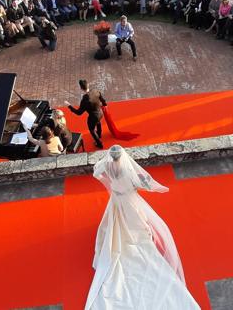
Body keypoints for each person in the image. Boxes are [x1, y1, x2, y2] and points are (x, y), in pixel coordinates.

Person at [84, 145, 200, 310]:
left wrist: (107, 182)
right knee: (139, 221)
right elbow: (139, 183)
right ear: (121, 156)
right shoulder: (126, 168)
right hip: (129, 200)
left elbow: (96, 173)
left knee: (115, 222)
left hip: (117, 200)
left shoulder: (106, 166)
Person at [66, 79, 107, 149]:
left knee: (92, 129)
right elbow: (103, 100)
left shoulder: (85, 99)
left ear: (81, 88)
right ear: (88, 85)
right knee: (98, 122)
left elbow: (79, 113)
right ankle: (99, 134)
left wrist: (69, 106)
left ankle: (99, 143)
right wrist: (105, 104)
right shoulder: (95, 91)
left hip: (93, 117)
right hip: (100, 112)